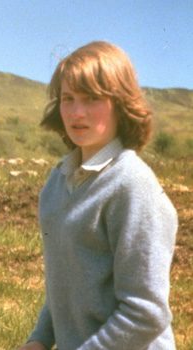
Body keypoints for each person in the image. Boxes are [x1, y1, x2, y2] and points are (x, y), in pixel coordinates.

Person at [20, 41, 178, 350]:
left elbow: (145, 313)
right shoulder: (56, 183)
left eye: (92, 98)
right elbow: (65, 284)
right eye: (68, 98)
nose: (77, 112)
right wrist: (39, 339)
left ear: (121, 103)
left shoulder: (134, 187)